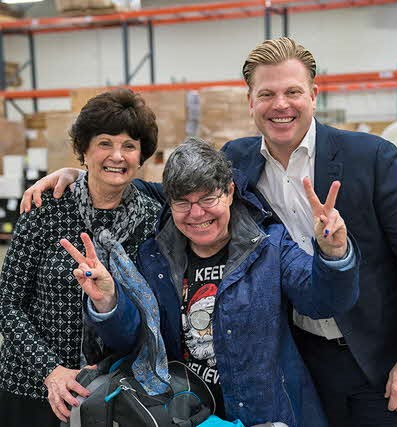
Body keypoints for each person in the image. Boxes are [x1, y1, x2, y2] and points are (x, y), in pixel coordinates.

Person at [21, 37, 397, 426]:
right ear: (251, 101)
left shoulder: (371, 158)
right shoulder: (239, 160)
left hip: (379, 355)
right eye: (267, 94)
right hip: (307, 354)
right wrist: (91, 173)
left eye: (293, 91)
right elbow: (181, 191)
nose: (281, 104)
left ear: (314, 95)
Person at [59, 139, 361, 427]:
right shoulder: (154, 258)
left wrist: (334, 254)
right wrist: (108, 301)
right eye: (183, 203)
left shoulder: (270, 246)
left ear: (229, 192)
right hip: (187, 414)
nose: (197, 213)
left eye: (208, 198)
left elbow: (323, 302)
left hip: (267, 413)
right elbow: (136, 341)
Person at [0, 88, 162, 427]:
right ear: (84, 150)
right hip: (29, 384)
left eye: (129, 146)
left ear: (141, 155)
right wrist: (52, 370)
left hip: (108, 392)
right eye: (105, 143)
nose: (117, 156)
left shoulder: (152, 219)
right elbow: (7, 305)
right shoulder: (45, 209)